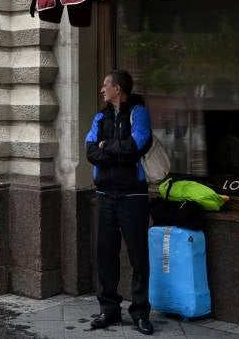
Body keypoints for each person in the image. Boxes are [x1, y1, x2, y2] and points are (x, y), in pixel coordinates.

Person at [85, 70, 154, 335]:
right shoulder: (99, 117)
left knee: (138, 256)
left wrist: (106, 147)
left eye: (106, 85)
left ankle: (140, 312)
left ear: (118, 88)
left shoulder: (139, 113)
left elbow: (136, 144)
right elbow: (90, 150)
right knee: (105, 255)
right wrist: (113, 150)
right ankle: (109, 311)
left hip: (132, 196)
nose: (102, 89)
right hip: (104, 197)